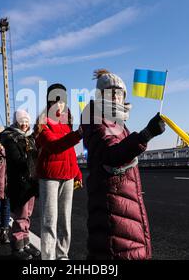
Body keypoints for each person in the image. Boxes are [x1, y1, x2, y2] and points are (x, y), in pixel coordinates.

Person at [81, 69, 165, 260]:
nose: (118, 98)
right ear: (101, 94)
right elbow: (111, 155)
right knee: (116, 250)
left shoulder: (116, 122)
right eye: (113, 93)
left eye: (121, 94)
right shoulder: (95, 119)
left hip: (123, 201)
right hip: (112, 203)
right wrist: (146, 134)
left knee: (127, 248)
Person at [34, 83, 83, 260]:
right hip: (50, 178)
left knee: (65, 221)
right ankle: (48, 258)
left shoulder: (66, 121)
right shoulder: (42, 124)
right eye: (55, 101)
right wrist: (78, 134)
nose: (59, 105)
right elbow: (54, 146)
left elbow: (70, 152)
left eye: (62, 101)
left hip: (68, 177)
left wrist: (77, 172)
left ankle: (63, 255)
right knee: (49, 222)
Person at [0, 109, 40, 260]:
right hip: (19, 182)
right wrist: (33, 157)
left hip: (30, 183)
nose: (24, 124)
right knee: (20, 215)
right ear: (16, 122)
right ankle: (17, 247)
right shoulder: (10, 138)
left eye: (26, 121)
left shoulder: (30, 138)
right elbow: (16, 160)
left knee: (27, 215)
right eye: (22, 121)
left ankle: (25, 243)